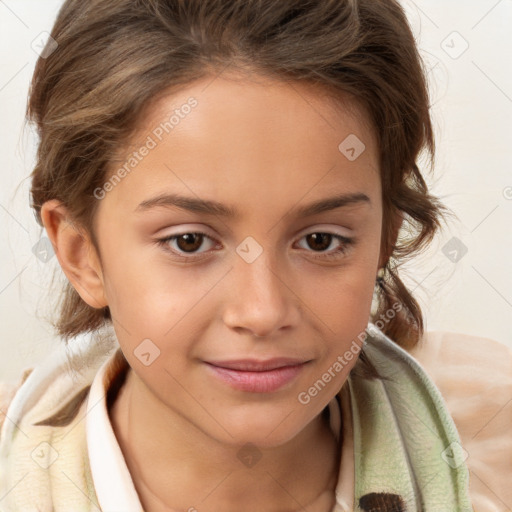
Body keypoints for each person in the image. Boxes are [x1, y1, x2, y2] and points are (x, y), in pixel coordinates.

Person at [0, 0, 510, 510]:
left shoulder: (494, 450)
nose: (263, 312)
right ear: (82, 254)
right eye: (189, 242)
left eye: (320, 240)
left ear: (381, 241)